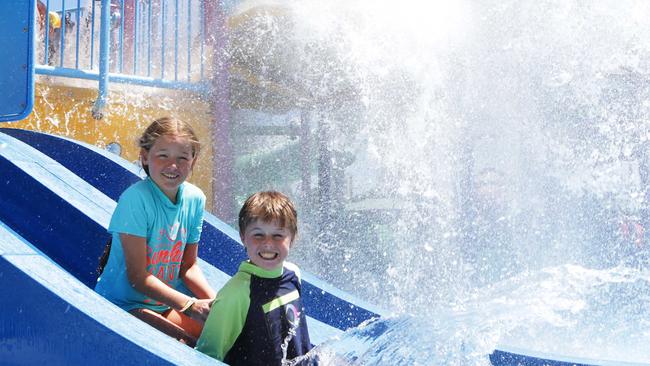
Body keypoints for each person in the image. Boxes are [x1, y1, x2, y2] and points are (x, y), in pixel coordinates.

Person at [95, 117, 216, 347]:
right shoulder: (135, 200)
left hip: (162, 305)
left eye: (183, 158)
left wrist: (218, 304)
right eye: (163, 155)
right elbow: (138, 277)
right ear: (144, 157)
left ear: (194, 161)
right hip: (123, 305)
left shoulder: (195, 199)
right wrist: (189, 305)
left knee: (218, 341)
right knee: (184, 345)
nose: (173, 165)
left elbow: (188, 266)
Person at [196, 191, 313, 365]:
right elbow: (206, 358)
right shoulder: (236, 295)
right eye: (258, 234)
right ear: (243, 237)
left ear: (293, 238)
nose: (267, 243)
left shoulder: (293, 274)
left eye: (278, 235)